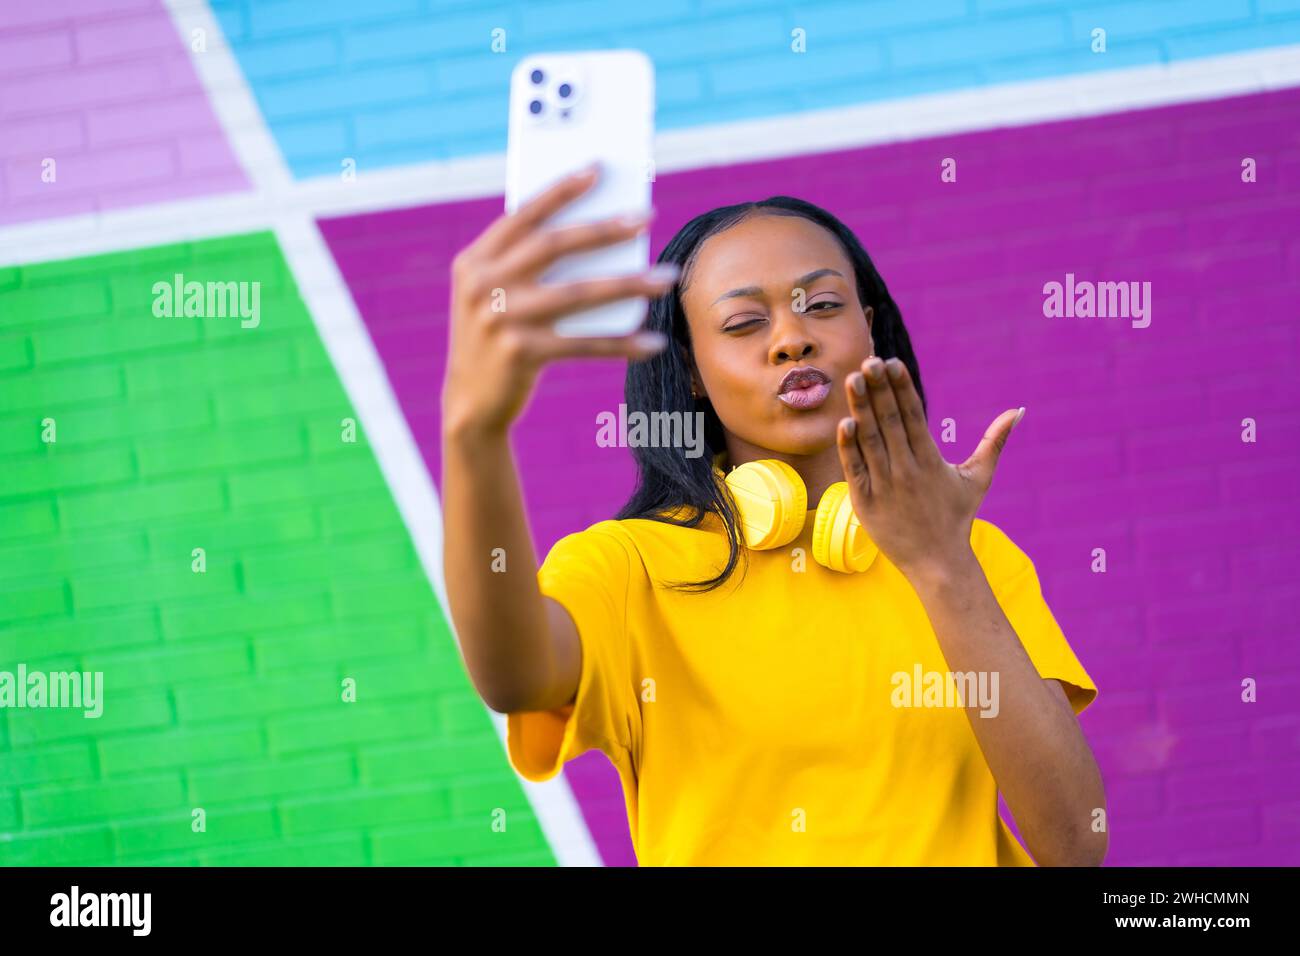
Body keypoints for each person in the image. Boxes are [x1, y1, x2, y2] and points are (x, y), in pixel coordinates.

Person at [441, 164, 1106, 866]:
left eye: (821, 305)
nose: (792, 338)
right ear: (691, 370)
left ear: (869, 329)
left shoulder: (971, 557)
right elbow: (512, 678)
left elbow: (1075, 843)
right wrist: (473, 436)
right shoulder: (627, 567)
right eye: (743, 323)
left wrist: (942, 565)